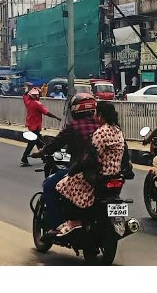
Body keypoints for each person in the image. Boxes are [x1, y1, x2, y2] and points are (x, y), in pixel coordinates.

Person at [52, 101, 126, 236]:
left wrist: (73, 171)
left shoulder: (100, 132)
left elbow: (89, 158)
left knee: (62, 186)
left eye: (97, 114)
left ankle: (74, 221)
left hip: (98, 176)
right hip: (115, 175)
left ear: (101, 115)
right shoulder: (118, 131)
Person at [32, 93, 99, 232]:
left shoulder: (74, 127)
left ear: (75, 110)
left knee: (49, 185)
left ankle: (58, 225)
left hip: (80, 170)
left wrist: (42, 152)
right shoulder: (103, 126)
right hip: (106, 172)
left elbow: (55, 143)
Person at [20, 84, 62, 167]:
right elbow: (47, 113)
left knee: (39, 143)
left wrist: (30, 89)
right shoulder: (37, 104)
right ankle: (24, 159)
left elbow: (25, 95)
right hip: (36, 126)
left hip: (31, 125)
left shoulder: (27, 102)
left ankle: (44, 157)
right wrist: (56, 117)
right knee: (33, 143)